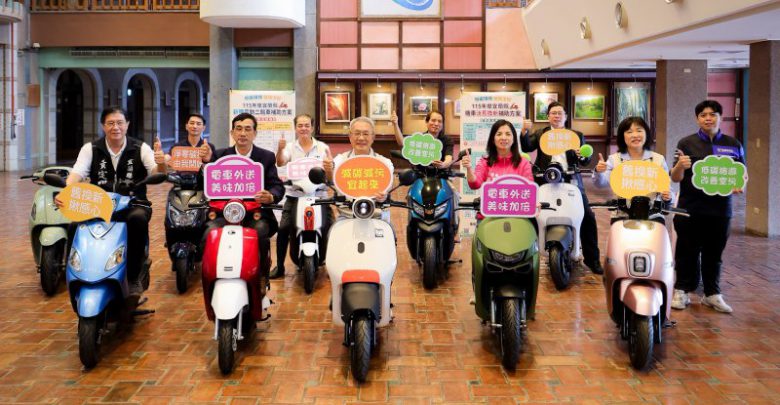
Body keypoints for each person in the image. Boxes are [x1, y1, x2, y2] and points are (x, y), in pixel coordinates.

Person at [60, 106, 167, 297]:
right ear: (103, 126)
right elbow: (77, 172)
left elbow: (156, 172)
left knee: (137, 220)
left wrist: (161, 163)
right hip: (98, 204)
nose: (115, 127)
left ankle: (134, 276)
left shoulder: (140, 148)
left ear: (127, 125)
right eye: (110, 123)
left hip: (134, 203)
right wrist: (67, 191)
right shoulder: (91, 149)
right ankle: (74, 271)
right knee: (75, 225)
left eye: (119, 123)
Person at [670, 100, 745, 313]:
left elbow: (741, 174)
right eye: (703, 115)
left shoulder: (733, 144)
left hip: (720, 210)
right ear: (697, 119)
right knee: (686, 251)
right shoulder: (686, 143)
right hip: (690, 208)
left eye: (713, 114)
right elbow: (675, 178)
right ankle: (682, 290)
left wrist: (740, 186)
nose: (708, 118)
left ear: (720, 117)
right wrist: (679, 166)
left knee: (714, 253)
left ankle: (712, 293)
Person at [520, 101, 604, 275]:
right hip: (545, 178)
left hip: (571, 179)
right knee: (530, 212)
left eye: (560, 113)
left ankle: (592, 259)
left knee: (587, 215)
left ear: (565, 116)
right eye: (553, 113)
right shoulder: (541, 134)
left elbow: (585, 161)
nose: (556, 116)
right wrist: (524, 132)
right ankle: (528, 256)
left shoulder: (576, 136)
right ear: (548, 116)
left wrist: (581, 156)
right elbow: (527, 147)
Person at [202, 113, 285, 278]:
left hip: (256, 214)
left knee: (260, 232)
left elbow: (277, 185)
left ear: (255, 133)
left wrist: (270, 196)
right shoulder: (219, 156)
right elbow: (205, 184)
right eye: (238, 129)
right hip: (223, 214)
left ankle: (261, 275)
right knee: (209, 233)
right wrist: (205, 163)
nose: (243, 133)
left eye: (248, 129)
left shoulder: (266, 157)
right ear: (232, 133)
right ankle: (212, 274)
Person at [270, 113, 335, 279]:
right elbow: (280, 162)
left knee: (331, 227)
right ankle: (280, 266)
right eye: (300, 125)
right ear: (295, 128)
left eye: (307, 125)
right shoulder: (290, 147)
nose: (303, 128)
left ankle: (331, 265)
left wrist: (329, 169)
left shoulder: (322, 147)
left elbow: (330, 177)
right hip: (295, 196)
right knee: (283, 228)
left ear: (312, 128)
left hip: (319, 197)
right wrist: (280, 149)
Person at [593, 116, 672, 221]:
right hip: (621, 215)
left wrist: (668, 197)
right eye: (629, 132)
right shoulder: (614, 160)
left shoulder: (658, 159)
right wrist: (599, 172)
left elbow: (667, 188)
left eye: (639, 130)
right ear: (622, 136)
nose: (635, 135)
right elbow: (600, 184)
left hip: (652, 216)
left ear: (646, 133)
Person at [331, 116, 394, 220]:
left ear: (373, 137)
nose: (361, 138)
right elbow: (330, 181)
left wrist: (383, 196)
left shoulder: (385, 164)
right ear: (350, 136)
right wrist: (328, 169)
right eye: (357, 133)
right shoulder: (338, 162)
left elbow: (387, 190)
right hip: (347, 215)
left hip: (376, 216)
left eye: (365, 134)